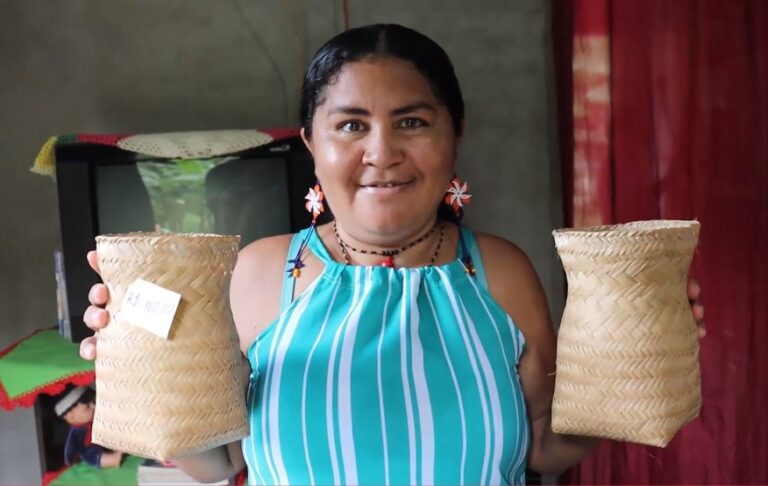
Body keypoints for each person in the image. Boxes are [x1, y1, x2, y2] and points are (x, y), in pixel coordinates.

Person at [80, 24, 706, 485]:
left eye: (412, 122)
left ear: (453, 134)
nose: (381, 152)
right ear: (311, 144)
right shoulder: (261, 274)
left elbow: (544, 444)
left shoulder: (499, 272)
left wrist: (635, 359)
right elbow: (217, 462)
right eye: (350, 125)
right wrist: (135, 354)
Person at [55, 386, 124, 468]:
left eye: (93, 403)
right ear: (71, 416)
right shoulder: (75, 432)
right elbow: (70, 447)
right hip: (88, 450)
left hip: (99, 445)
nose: (94, 407)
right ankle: (113, 460)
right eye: (87, 407)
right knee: (94, 457)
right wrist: (69, 460)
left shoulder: (93, 421)